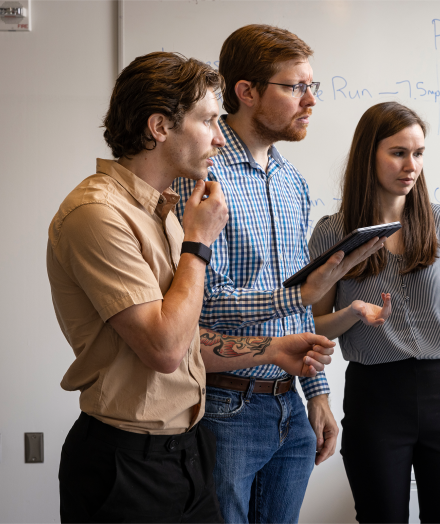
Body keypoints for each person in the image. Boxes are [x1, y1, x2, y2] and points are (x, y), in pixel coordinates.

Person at [48, 52, 335, 524]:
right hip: (127, 459)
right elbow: (163, 348)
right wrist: (199, 242)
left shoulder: (163, 212)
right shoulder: (97, 214)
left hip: (188, 446)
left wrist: (272, 351)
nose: (220, 138)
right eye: (207, 121)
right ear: (160, 126)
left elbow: (187, 343)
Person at [172, 25, 384, 524]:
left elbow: (302, 308)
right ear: (245, 92)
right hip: (226, 405)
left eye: (312, 87)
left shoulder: (293, 183)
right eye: (295, 87)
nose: (310, 101)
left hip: (289, 406)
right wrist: (300, 294)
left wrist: (318, 395)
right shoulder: (201, 178)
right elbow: (201, 303)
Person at [309, 102, 440, 524]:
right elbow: (316, 326)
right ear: (369, 155)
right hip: (375, 397)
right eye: (398, 152)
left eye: (418, 153)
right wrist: (353, 314)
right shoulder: (333, 232)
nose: (411, 165)